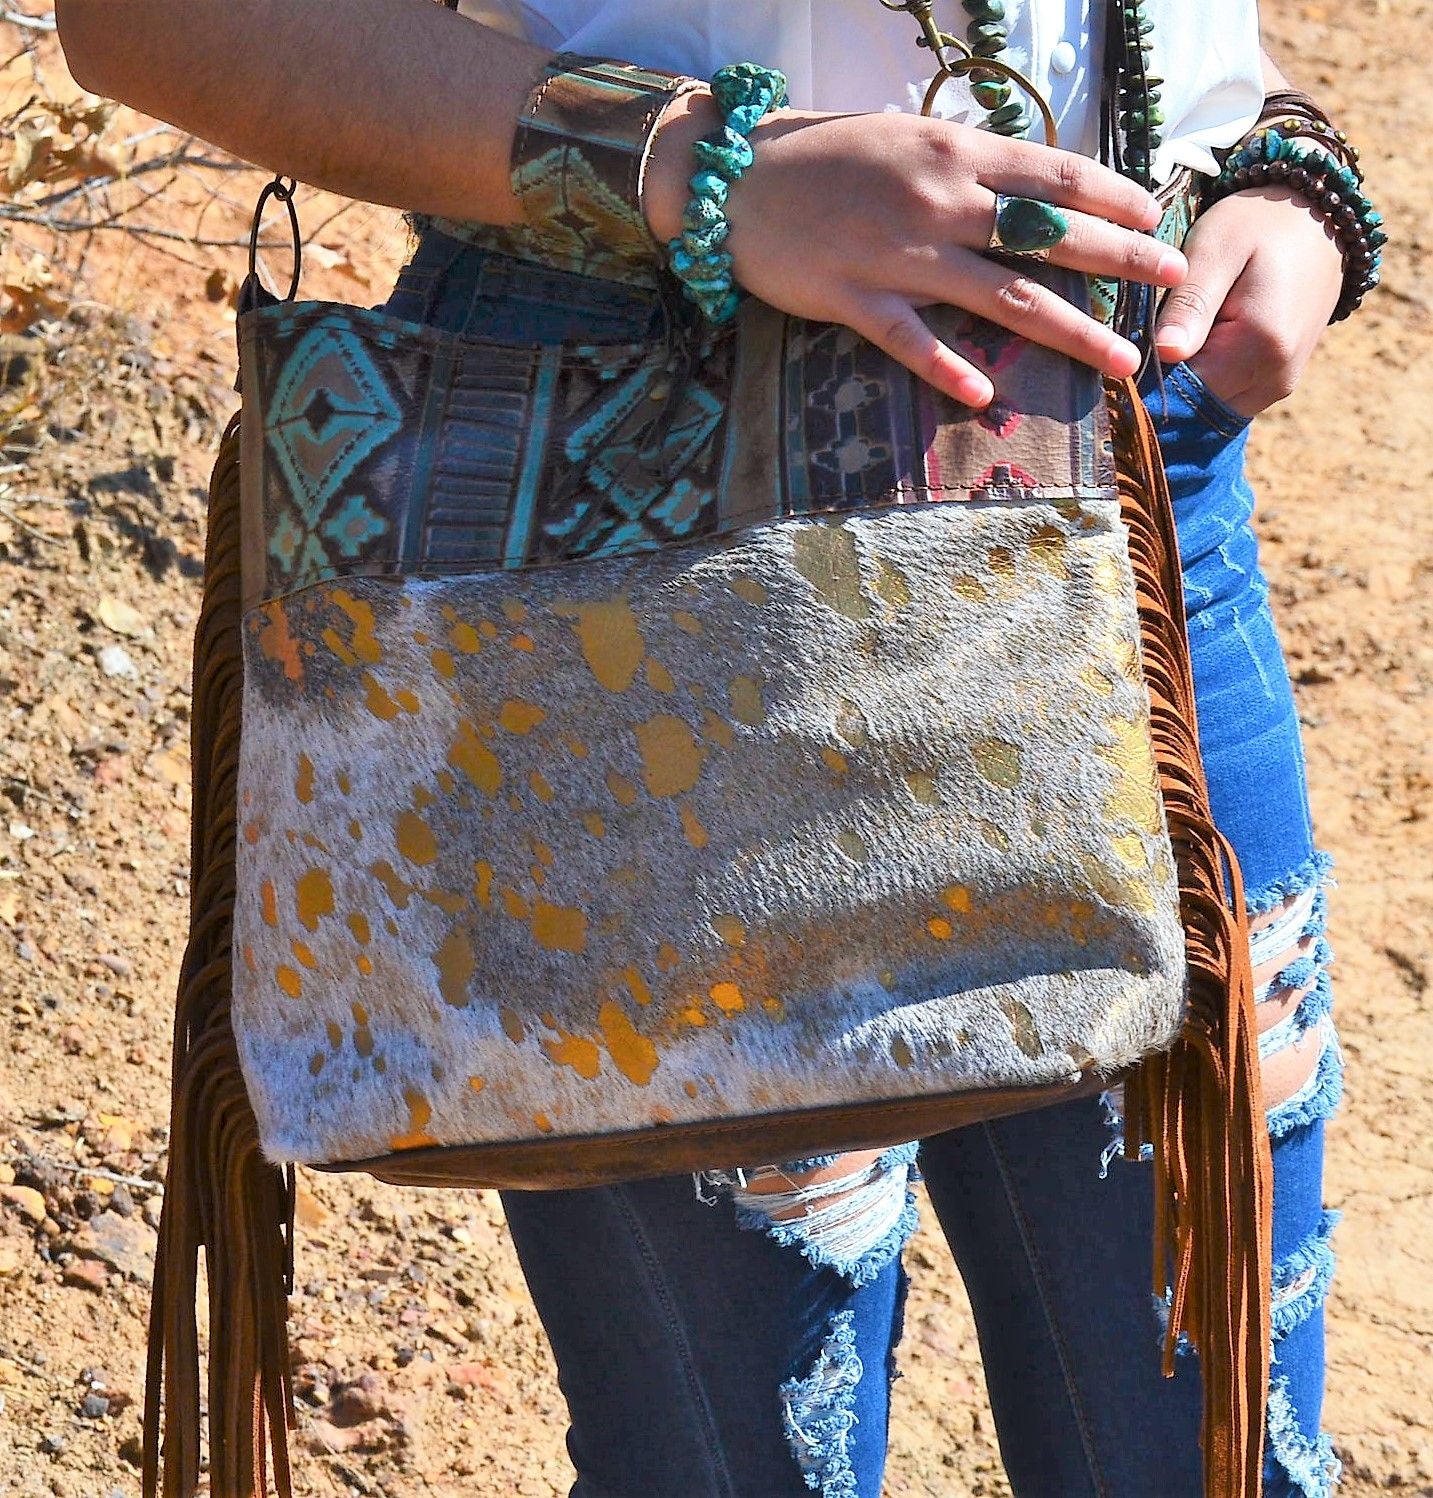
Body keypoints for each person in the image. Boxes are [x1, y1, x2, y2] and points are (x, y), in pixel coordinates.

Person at [54, 1, 1355, 1493]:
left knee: (1228, 1464)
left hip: (1133, 473)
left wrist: (1282, 165)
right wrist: (705, 168)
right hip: (640, 492)